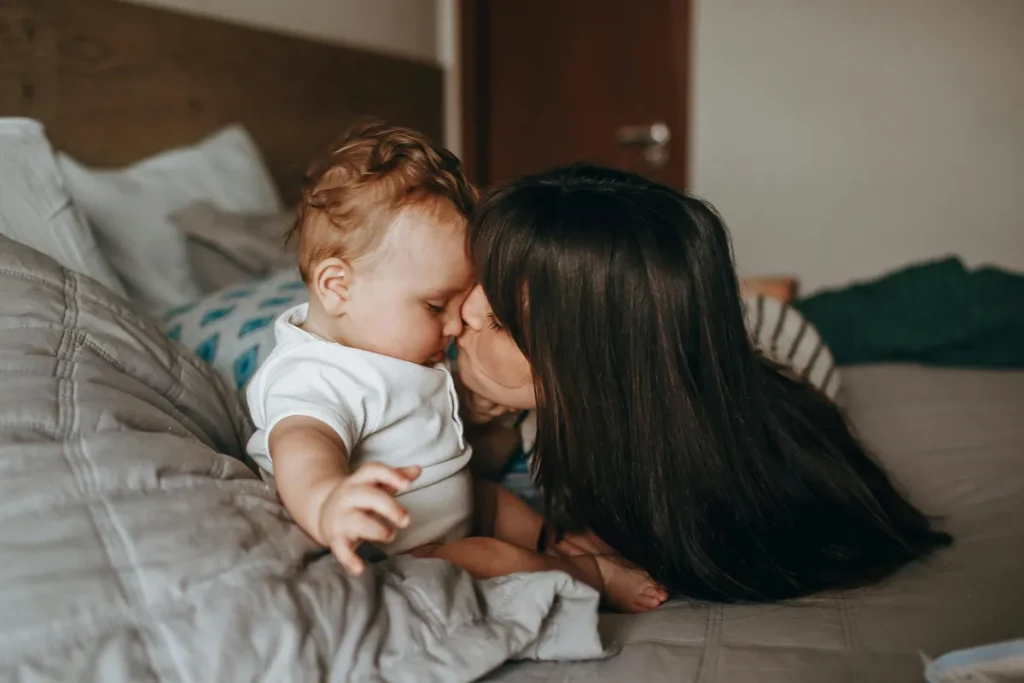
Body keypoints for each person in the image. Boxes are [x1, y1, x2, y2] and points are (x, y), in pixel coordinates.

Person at [455, 163, 953, 602]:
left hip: (774, 333)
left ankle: (757, 292)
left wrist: (617, 549)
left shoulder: (725, 482)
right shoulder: (443, 360)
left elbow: (852, 533)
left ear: (588, 371)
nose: (462, 312)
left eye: (499, 321)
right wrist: (481, 417)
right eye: (475, 281)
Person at [244, 124, 666, 612]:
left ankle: (560, 539)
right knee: (484, 558)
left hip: (452, 504)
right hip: (400, 549)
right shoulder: (315, 372)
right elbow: (302, 445)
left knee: (493, 503)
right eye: (433, 306)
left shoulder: (389, 348)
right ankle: (586, 574)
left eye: (459, 301)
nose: (455, 324)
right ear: (338, 286)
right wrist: (327, 501)